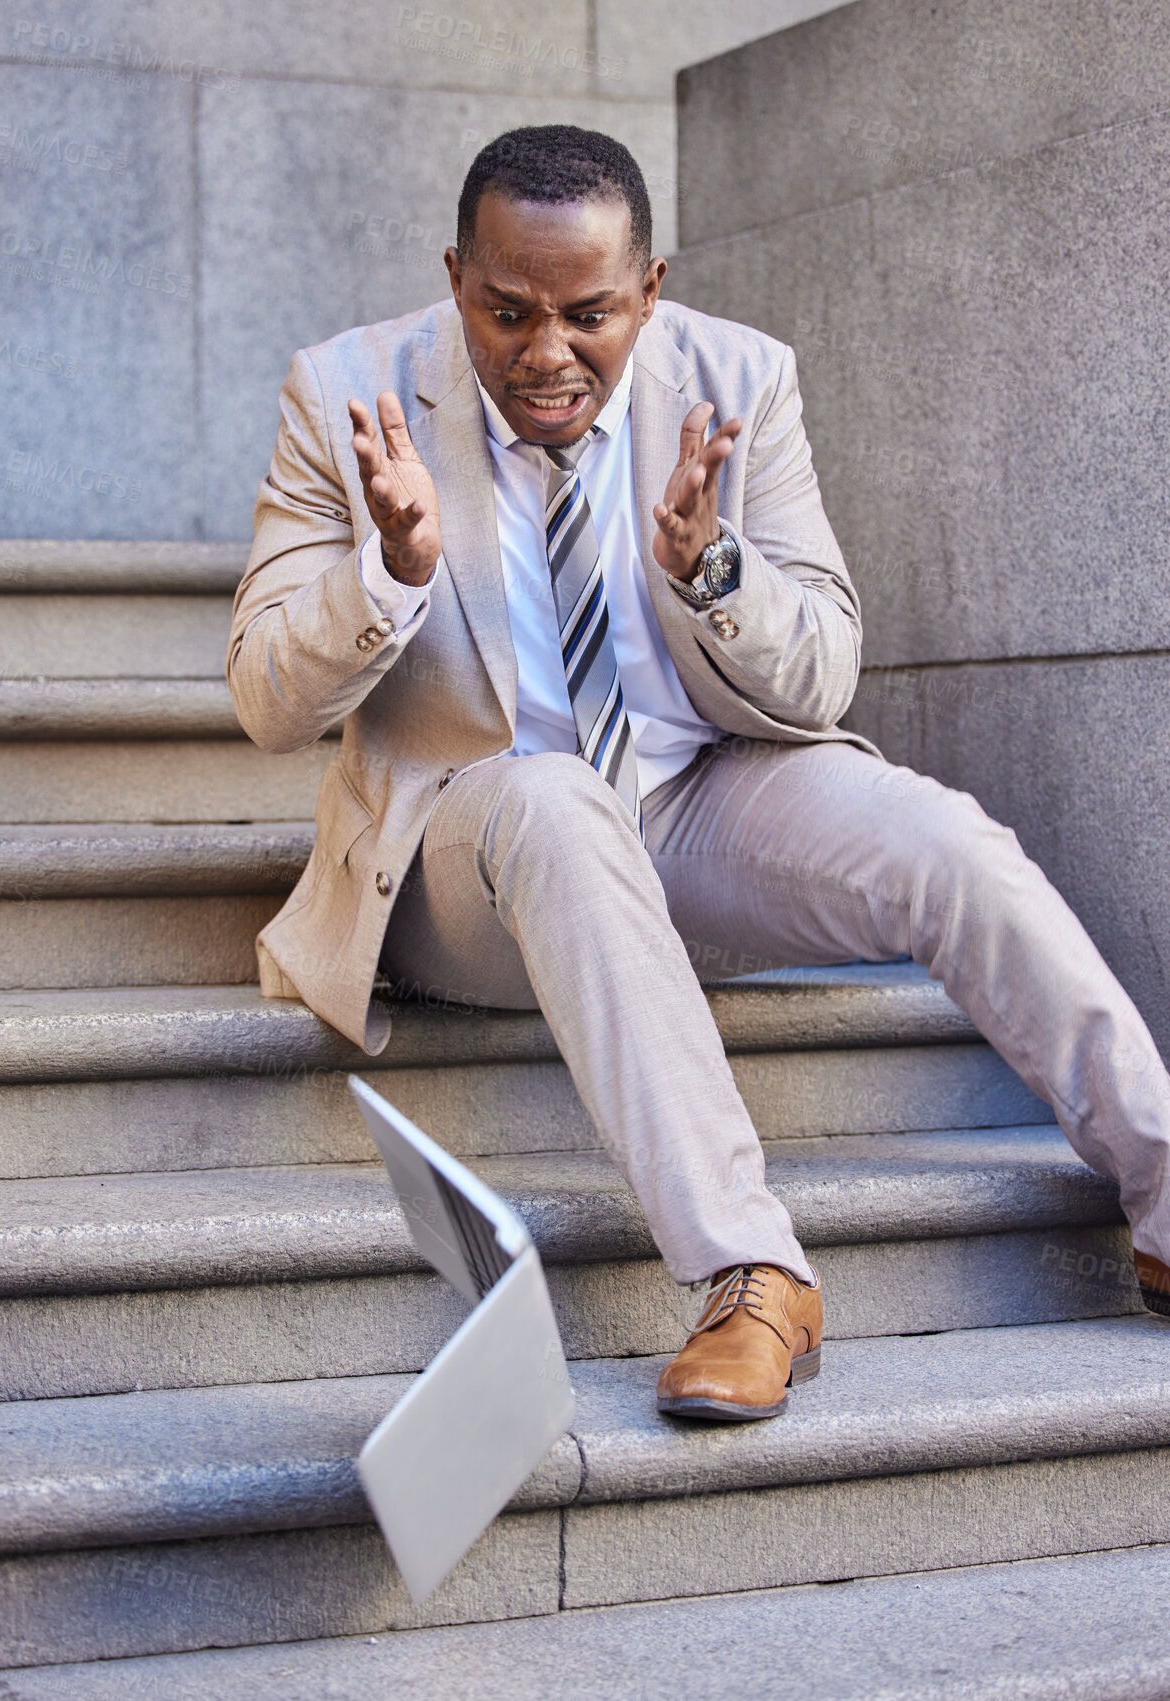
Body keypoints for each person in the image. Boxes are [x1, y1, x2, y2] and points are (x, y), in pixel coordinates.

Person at [229, 125, 1170, 1422]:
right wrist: (385, 572)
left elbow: (822, 677)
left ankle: (1166, 1192)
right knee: (555, 799)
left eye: (589, 314)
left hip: (687, 804)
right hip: (471, 851)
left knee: (939, 836)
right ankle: (752, 1270)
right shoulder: (347, 393)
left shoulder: (738, 380)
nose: (548, 351)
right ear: (457, 279)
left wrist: (712, 576)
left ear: (650, 290)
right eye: (507, 311)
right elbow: (266, 698)